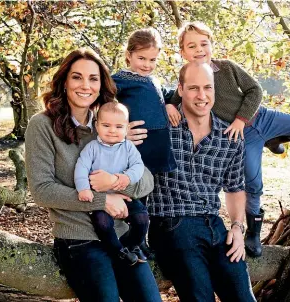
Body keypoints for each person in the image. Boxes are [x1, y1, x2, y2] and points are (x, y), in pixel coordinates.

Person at [166, 22, 290, 257]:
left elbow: (254, 90)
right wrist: (168, 105)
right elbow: (176, 96)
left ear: (212, 45)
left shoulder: (226, 68)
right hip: (243, 138)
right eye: (191, 46)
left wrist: (240, 118)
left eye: (204, 44)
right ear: (183, 52)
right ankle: (253, 233)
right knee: (253, 182)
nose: (199, 50)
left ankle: (274, 139)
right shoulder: (189, 77)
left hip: (261, 118)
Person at [25, 48, 162, 302]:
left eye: (93, 78)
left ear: (101, 85)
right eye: (77, 77)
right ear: (64, 81)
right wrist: (104, 200)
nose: (85, 85)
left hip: (122, 236)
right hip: (79, 240)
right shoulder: (42, 125)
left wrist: (116, 182)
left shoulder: (110, 126)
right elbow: (42, 190)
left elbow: (146, 181)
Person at [146, 61, 256, 302]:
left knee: (243, 296)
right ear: (181, 89)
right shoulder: (161, 130)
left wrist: (237, 227)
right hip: (171, 223)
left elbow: (235, 188)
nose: (202, 95)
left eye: (208, 87)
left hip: (214, 226)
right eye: (194, 88)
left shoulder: (229, 138)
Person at [74, 102, 149, 265]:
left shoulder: (128, 147)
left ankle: (132, 245)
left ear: (127, 128)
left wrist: (126, 178)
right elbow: (81, 167)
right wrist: (83, 189)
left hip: (124, 196)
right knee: (103, 224)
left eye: (119, 126)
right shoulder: (92, 148)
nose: (112, 130)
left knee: (142, 219)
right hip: (101, 199)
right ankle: (118, 251)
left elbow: (138, 166)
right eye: (106, 125)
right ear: (97, 125)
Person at [112, 27, 177, 175]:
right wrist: (118, 129)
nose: (147, 65)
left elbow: (169, 94)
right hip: (140, 144)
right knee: (135, 189)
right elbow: (101, 98)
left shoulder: (153, 80)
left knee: (154, 191)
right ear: (129, 55)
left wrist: (170, 104)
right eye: (141, 58)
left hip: (159, 147)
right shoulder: (121, 79)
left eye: (152, 60)